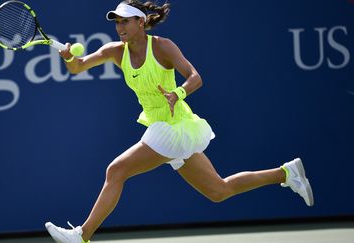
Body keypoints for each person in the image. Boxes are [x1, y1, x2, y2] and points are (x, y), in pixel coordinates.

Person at [45, 1, 314, 242]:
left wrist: (178, 92)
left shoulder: (162, 46)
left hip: (174, 127)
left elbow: (195, 76)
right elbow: (78, 66)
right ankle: (286, 173)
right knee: (218, 191)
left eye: (125, 21)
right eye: (117, 22)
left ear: (141, 22)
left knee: (116, 171)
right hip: (161, 127)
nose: (120, 27)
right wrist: (69, 56)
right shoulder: (116, 52)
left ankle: (82, 235)